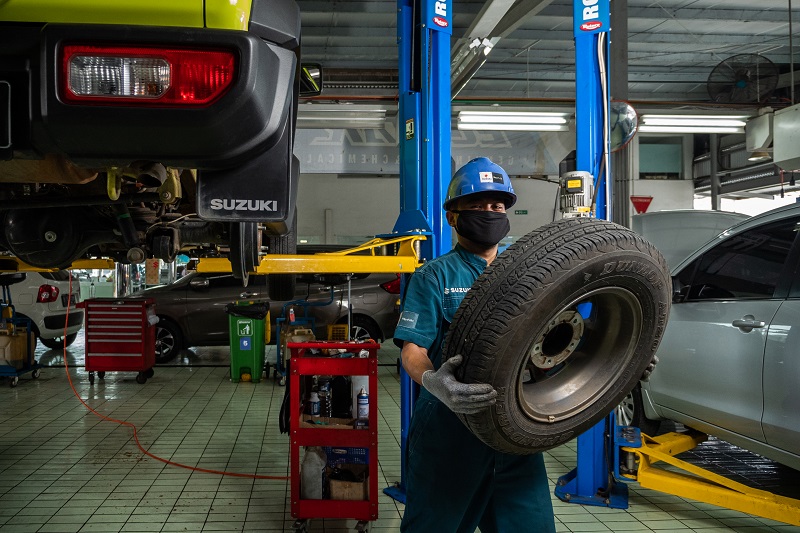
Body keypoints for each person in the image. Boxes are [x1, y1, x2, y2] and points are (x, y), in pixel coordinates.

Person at [394, 157, 556, 533]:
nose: (489, 213)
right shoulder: (433, 276)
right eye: (477, 206)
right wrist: (436, 383)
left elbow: (553, 343)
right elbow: (412, 350)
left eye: (497, 206)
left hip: (515, 433)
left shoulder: (530, 274)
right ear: (453, 217)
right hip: (450, 435)